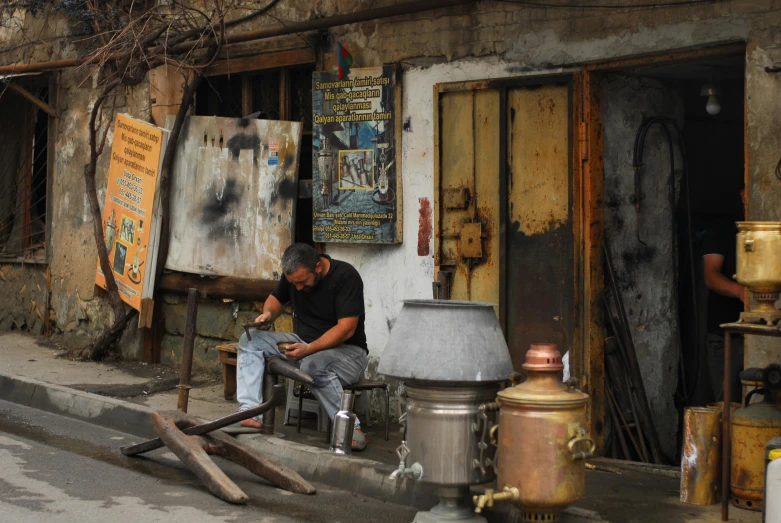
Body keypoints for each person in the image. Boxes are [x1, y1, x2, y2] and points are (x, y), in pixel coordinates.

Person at [236, 243, 369, 450]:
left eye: (302, 282)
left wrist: (308, 350)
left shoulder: (345, 276)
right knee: (250, 340)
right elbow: (275, 299)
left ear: (317, 267)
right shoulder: (294, 275)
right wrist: (268, 315)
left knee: (313, 365)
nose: (297, 288)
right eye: (293, 283)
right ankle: (251, 411)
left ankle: (352, 428)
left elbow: (346, 329)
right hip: (304, 345)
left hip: (348, 353)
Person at [702, 188, 746, 403]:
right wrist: (741, 292)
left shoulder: (773, 229)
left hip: (766, 334)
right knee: (728, 406)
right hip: (727, 335)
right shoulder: (723, 228)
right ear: (742, 194)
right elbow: (711, 276)